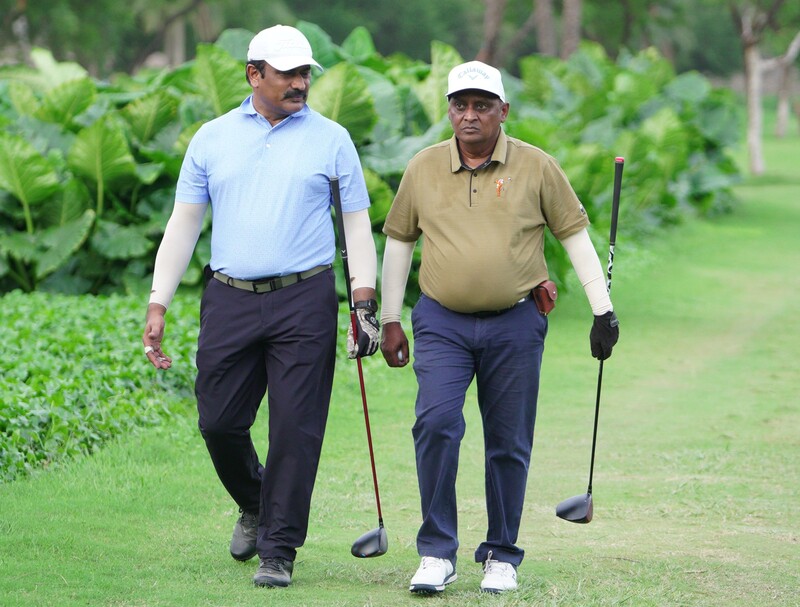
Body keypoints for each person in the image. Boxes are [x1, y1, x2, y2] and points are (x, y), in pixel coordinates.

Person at [141, 24, 380, 589]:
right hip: (229, 298)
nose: (300, 83)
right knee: (218, 421)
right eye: (288, 74)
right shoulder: (212, 138)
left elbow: (356, 226)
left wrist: (364, 302)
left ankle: (279, 550)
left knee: (296, 430)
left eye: (305, 74)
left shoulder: (332, 138)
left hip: (305, 297)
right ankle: (255, 502)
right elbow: (183, 225)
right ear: (254, 75)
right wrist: (159, 301)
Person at [379, 60, 619, 595]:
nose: (470, 116)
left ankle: (502, 553)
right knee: (437, 424)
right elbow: (400, 241)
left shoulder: (537, 166)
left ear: (502, 111)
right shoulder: (422, 167)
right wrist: (391, 319)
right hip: (441, 321)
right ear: (449, 111)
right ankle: (437, 552)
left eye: (482, 106)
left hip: (515, 321)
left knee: (508, 441)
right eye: (460, 106)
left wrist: (602, 309)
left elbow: (574, 235)